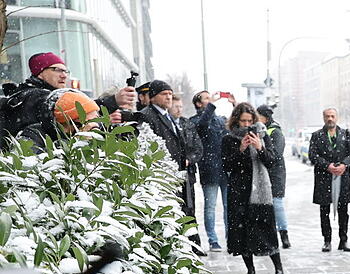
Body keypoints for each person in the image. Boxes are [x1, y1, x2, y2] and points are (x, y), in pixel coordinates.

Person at [222, 103, 285, 274]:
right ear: (236, 120)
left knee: (267, 231)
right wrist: (240, 150)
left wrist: (260, 148)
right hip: (238, 192)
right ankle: (251, 272)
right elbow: (227, 166)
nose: (247, 125)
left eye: (250, 121)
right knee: (242, 234)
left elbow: (272, 161)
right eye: (243, 121)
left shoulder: (263, 135)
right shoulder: (228, 139)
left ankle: (278, 269)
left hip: (260, 193)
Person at [139, 80, 205, 254]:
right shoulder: (148, 115)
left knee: (187, 210)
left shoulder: (168, 116)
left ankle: (190, 245)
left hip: (180, 174)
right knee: (174, 213)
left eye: (170, 93)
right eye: (164, 93)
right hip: (165, 176)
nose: (168, 96)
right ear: (152, 97)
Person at [14, 52, 135, 113]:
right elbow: (76, 111)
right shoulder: (35, 96)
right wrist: (114, 101)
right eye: (57, 70)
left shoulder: (37, 94)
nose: (64, 75)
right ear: (40, 72)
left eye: (66, 71)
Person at [190, 90, 234, 252]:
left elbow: (235, 127)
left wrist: (235, 105)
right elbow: (201, 125)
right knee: (210, 207)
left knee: (229, 206)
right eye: (206, 99)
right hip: (209, 170)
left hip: (225, 169)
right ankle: (213, 240)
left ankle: (231, 238)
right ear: (198, 104)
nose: (210, 101)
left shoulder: (220, 120)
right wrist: (212, 106)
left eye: (210, 98)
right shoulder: (194, 121)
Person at [309, 107, 350, 252]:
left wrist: (345, 164)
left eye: (332, 116)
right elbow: (313, 155)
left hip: (342, 177)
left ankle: (343, 240)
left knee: (344, 211)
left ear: (337, 117)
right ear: (323, 118)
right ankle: (327, 240)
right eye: (327, 116)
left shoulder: (345, 134)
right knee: (324, 211)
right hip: (324, 178)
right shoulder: (317, 136)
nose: (330, 119)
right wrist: (327, 165)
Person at [16, 88, 101, 149]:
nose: (94, 125)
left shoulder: (97, 133)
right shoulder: (34, 134)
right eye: (90, 120)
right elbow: (31, 162)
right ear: (73, 122)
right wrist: (76, 144)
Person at [257, 105, 290, 249]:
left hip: (275, 173)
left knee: (277, 204)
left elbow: (276, 155)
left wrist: (262, 152)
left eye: (258, 116)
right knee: (263, 204)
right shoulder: (258, 130)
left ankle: (284, 234)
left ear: (265, 117)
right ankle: (266, 234)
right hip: (262, 172)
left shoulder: (275, 131)